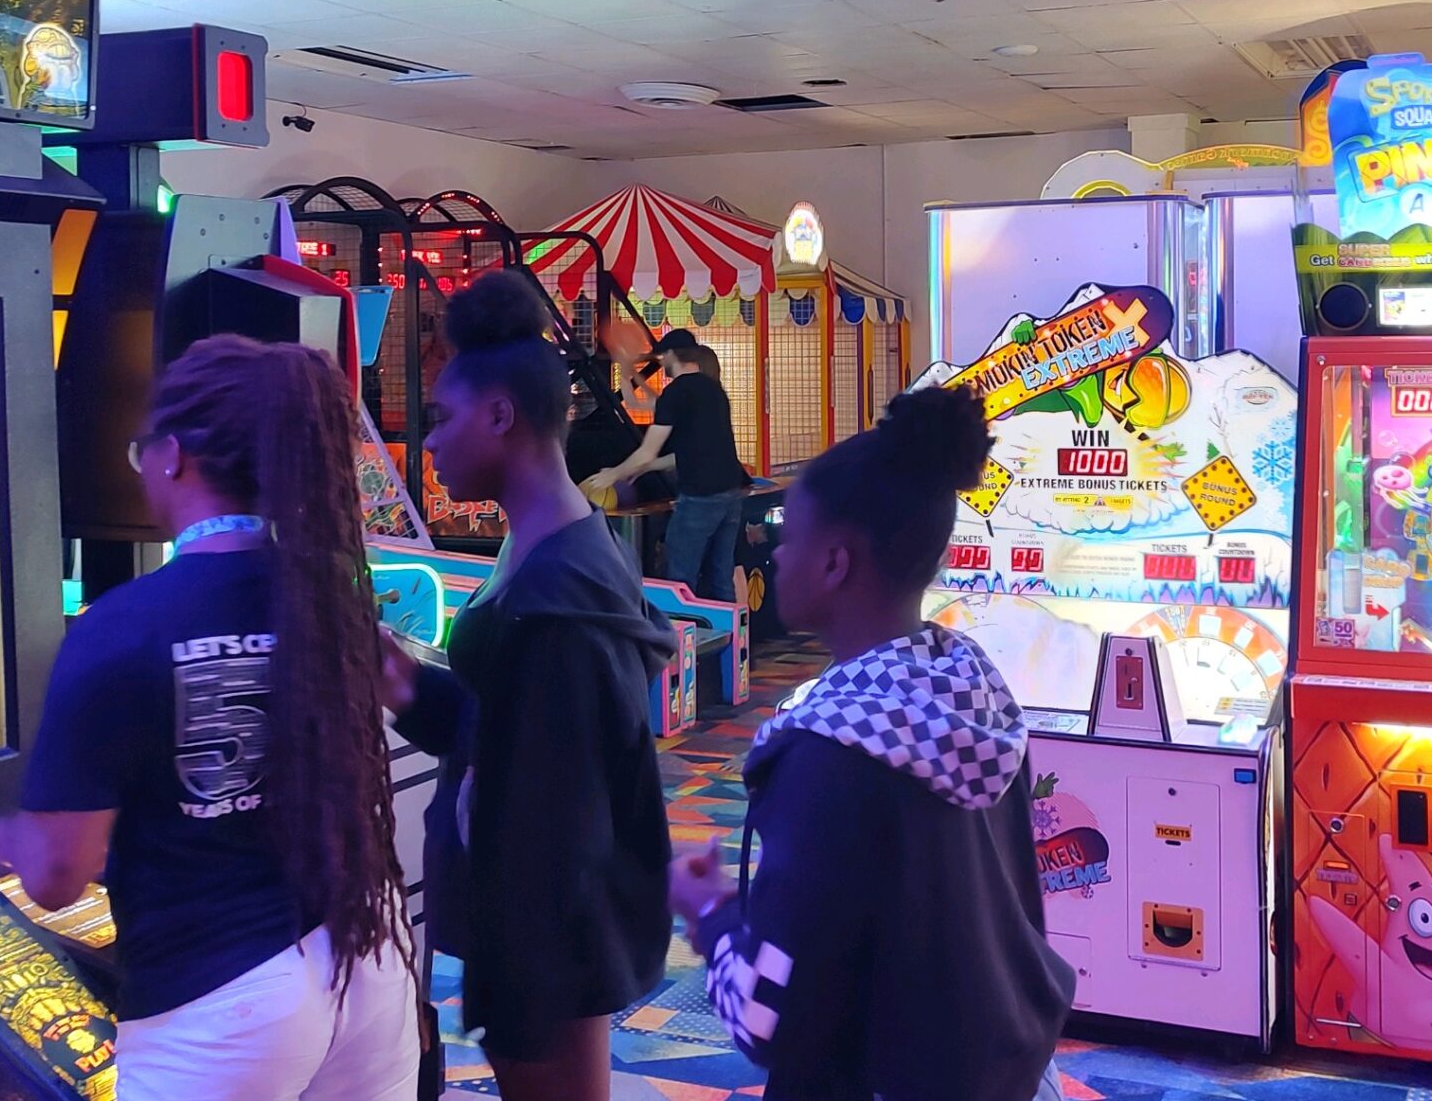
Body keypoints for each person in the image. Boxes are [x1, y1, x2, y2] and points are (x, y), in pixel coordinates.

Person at [0, 337, 418, 1101]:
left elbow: (59, 876)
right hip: (366, 958)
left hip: (221, 1000)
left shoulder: (119, 628)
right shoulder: (331, 599)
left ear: (172, 456)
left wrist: (6, 830)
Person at [667, 384, 1074, 1101]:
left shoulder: (831, 756)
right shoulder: (975, 701)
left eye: (789, 535)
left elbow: (768, 1021)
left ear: (834, 562)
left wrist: (709, 913)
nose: (775, 553)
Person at [386, 270, 677, 1101]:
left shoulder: (558, 601)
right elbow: (501, 725)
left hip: (544, 943)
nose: (431, 443)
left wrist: (523, 983)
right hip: (539, 934)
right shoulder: (548, 554)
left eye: (442, 420)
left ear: (502, 416)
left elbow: (560, 818)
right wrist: (397, 679)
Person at [586, 327, 751, 602]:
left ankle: (679, 642)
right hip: (731, 495)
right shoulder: (713, 391)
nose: (661, 362)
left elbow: (647, 452)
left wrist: (613, 474)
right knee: (721, 578)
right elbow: (681, 450)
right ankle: (733, 642)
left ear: (673, 354)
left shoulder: (677, 393)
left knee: (680, 580)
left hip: (700, 498)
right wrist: (629, 372)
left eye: (663, 356)